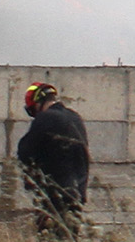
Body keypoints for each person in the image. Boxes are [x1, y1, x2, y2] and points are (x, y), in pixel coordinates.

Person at [16, 81, 90, 233]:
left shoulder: (45, 118)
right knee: (70, 241)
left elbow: (24, 151)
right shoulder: (75, 118)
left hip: (54, 195)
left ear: (37, 103)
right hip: (77, 193)